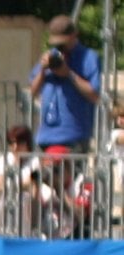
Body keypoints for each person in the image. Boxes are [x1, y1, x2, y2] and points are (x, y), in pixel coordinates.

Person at [32, 16, 101, 156]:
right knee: (44, 177)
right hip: (46, 136)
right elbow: (33, 92)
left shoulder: (89, 58)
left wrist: (69, 74)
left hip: (73, 136)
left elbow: (94, 95)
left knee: (69, 178)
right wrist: (43, 70)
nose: (60, 47)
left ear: (74, 35)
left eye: (63, 42)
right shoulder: (52, 56)